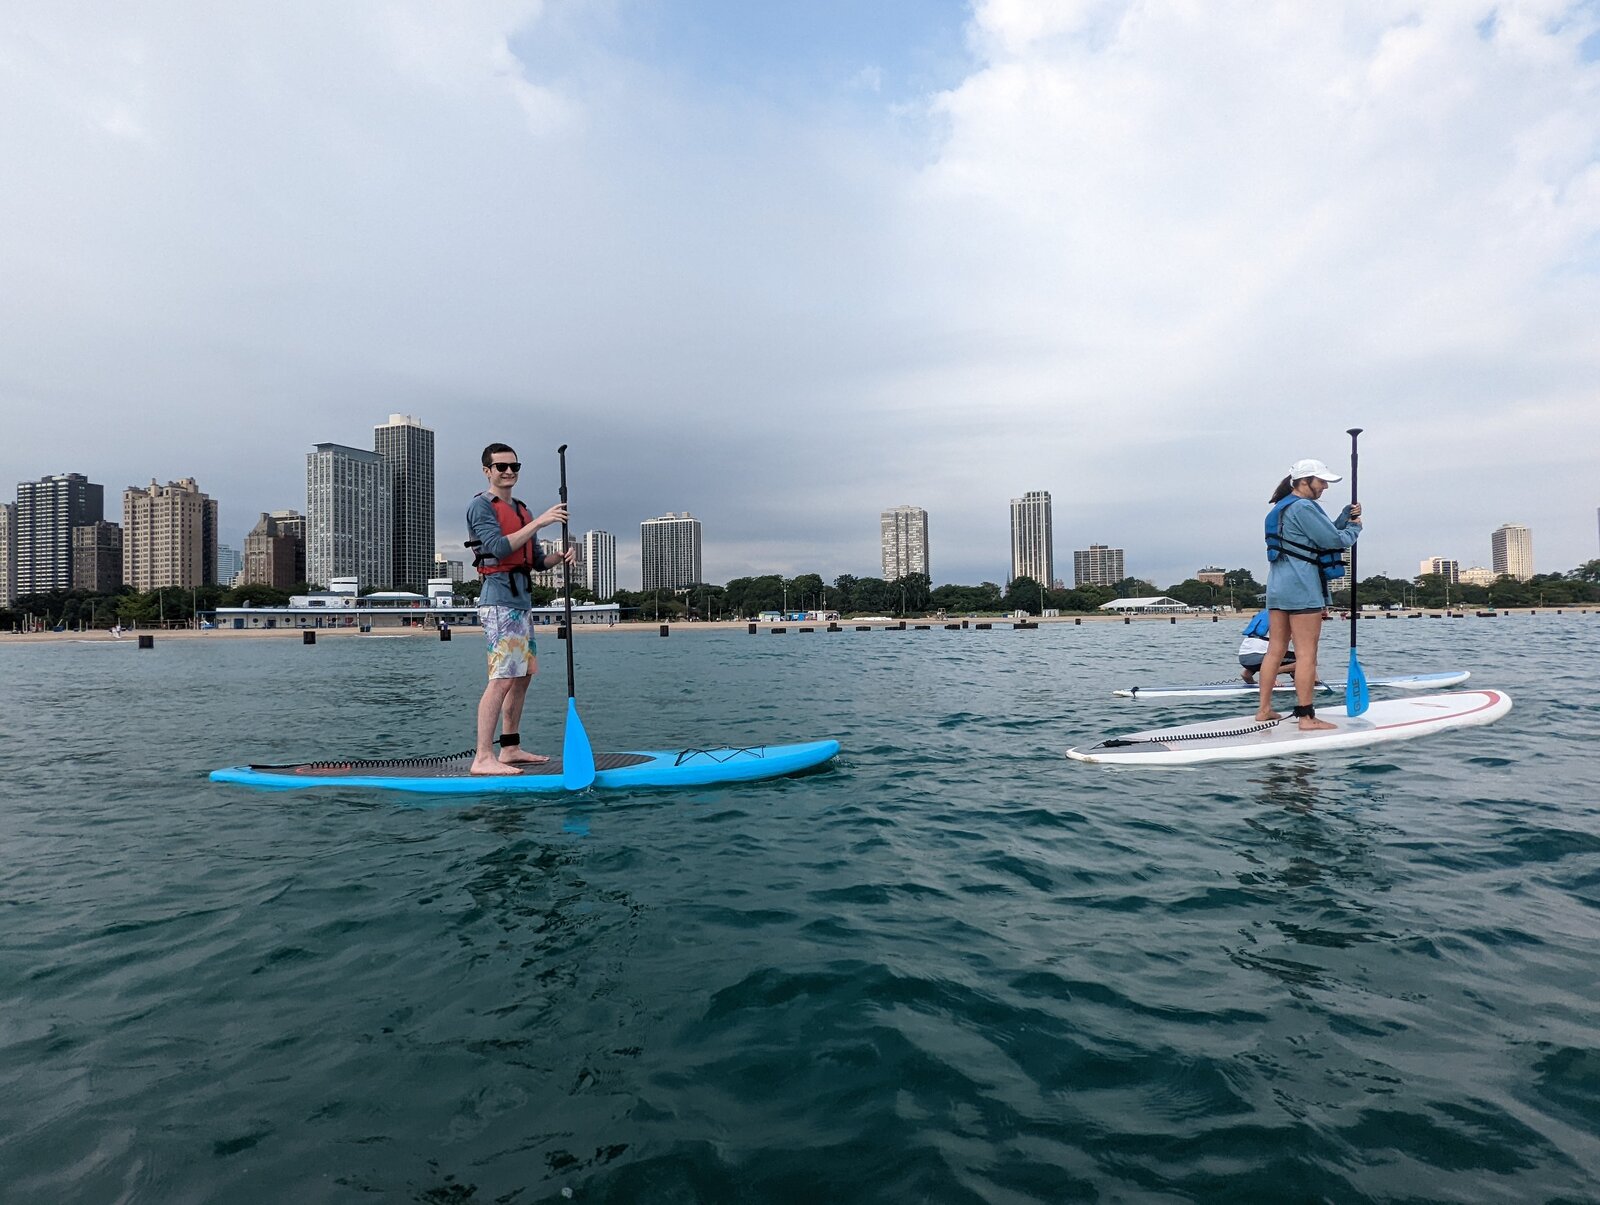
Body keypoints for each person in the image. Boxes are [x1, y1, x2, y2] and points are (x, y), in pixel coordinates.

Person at [465, 443, 575, 776]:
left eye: (514, 466)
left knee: (522, 676)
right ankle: (483, 757)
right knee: (501, 678)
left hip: (521, 602)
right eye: (501, 467)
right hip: (498, 602)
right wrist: (541, 522)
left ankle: (509, 747)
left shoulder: (523, 510)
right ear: (488, 470)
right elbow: (497, 547)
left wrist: (561, 557)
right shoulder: (480, 507)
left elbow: (538, 562)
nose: (509, 472)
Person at [1255, 458, 1362, 730]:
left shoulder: (1279, 508)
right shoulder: (1304, 506)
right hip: (1302, 587)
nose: (1325, 486)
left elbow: (1314, 535)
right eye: (1321, 481)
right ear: (1304, 481)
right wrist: (1355, 527)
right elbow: (1333, 540)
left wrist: (1342, 517)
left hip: (1277, 588)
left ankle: (1264, 710)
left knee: (1274, 651)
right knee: (1306, 655)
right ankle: (1306, 717)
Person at [1238, 607, 1295, 685]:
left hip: (1243, 658)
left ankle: (1247, 673)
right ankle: (1269, 673)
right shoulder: (1284, 617)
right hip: (1259, 657)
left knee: (1264, 655)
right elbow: (1283, 645)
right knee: (1302, 660)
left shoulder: (1266, 613)